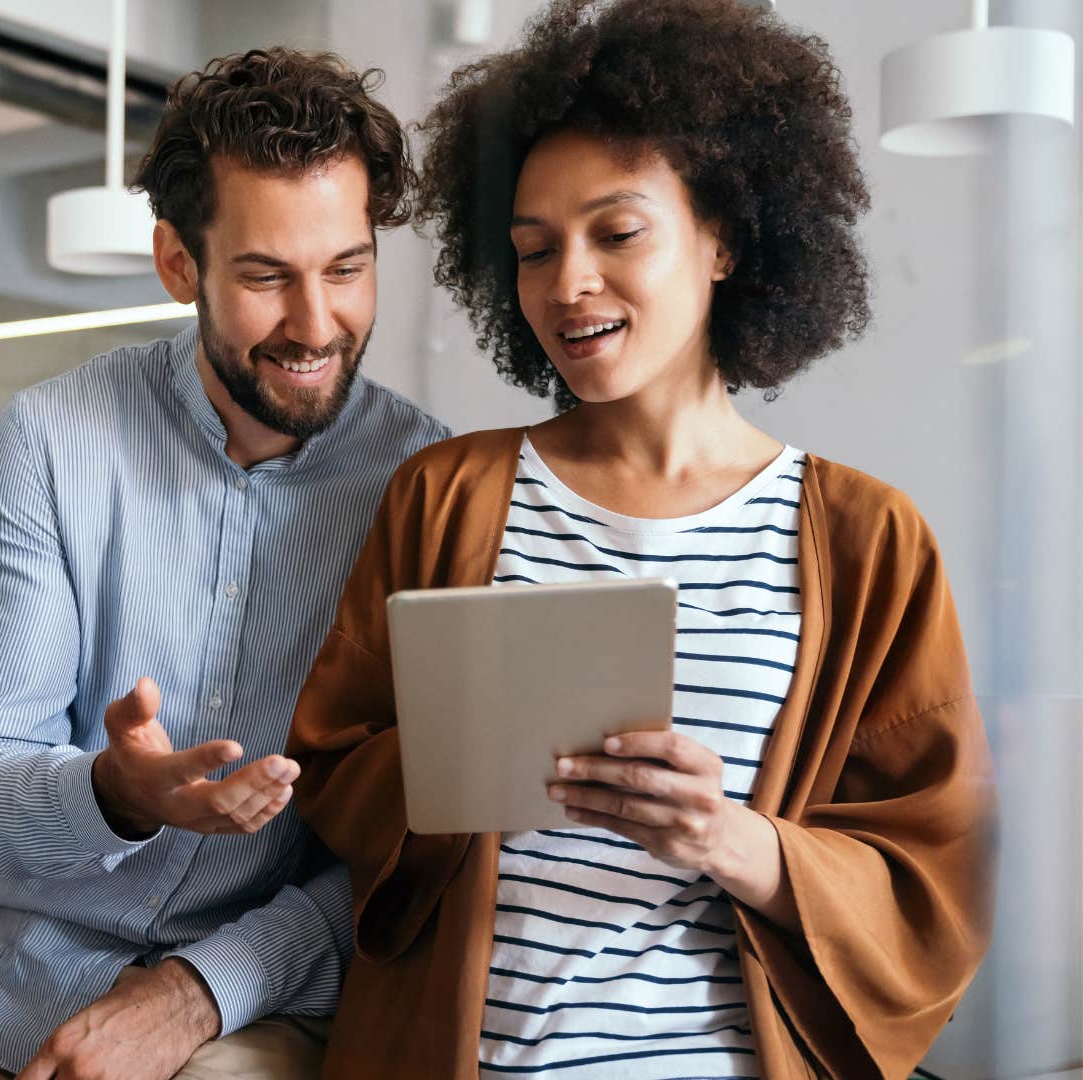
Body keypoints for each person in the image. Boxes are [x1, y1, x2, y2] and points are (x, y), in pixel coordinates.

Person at [286, 2, 996, 1077]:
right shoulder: (447, 494)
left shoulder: (870, 541)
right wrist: (465, 765)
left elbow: (935, 874)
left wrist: (728, 837)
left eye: (617, 234)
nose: (567, 284)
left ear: (723, 238)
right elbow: (332, 766)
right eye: (532, 250)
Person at [0, 48, 450, 1080]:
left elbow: (408, 851)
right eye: (265, 276)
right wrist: (116, 795)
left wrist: (198, 991)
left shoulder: (427, 486)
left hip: (255, 1007)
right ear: (179, 262)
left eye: (346, 269)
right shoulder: (51, 440)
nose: (316, 325)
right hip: (15, 997)